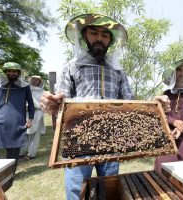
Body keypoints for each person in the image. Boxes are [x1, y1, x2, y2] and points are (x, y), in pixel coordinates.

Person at [40, 13, 134, 200]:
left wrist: (156, 106)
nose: (99, 38)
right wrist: (51, 103)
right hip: (78, 143)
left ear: (110, 41)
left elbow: (131, 104)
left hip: (111, 142)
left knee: (110, 192)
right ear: (84, 36)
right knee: (77, 193)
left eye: (105, 35)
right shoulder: (71, 67)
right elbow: (60, 102)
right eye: (94, 33)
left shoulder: (118, 71)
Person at [0, 62, 34, 172]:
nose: (11, 73)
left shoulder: (25, 86)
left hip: (16, 121)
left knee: (13, 150)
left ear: (18, 73)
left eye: (14, 71)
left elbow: (31, 103)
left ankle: (9, 173)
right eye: (9, 71)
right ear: (5, 72)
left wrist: (30, 118)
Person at [20, 76, 45, 160]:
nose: (35, 81)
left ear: (39, 82)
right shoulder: (26, 89)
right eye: (33, 79)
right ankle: (21, 152)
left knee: (35, 135)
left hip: (37, 114)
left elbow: (43, 105)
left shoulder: (43, 92)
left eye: (37, 80)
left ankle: (31, 154)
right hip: (26, 114)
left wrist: (35, 106)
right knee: (25, 134)